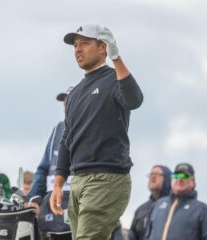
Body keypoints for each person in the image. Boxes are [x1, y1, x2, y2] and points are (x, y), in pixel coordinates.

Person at [50, 24, 143, 240]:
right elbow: (67, 139)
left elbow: (134, 100)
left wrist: (116, 57)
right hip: (78, 180)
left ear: (103, 48)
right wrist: (58, 184)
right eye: (75, 45)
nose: (78, 50)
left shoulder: (114, 79)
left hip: (107, 177)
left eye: (84, 43)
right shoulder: (74, 94)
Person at [28, 87, 73, 240]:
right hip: (54, 218)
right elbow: (43, 169)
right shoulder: (58, 129)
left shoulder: (93, 128)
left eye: (70, 100)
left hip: (83, 217)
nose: (66, 104)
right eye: (64, 101)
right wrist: (33, 197)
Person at [147, 163, 207, 240]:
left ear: (193, 182)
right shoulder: (157, 205)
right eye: (176, 176)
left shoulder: (201, 209)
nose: (180, 179)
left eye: (185, 176)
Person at [129, 165, 172, 240]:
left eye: (157, 174)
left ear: (167, 179)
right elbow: (133, 235)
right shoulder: (141, 209)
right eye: (151, 174)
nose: (153, 177)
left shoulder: (176, 206)